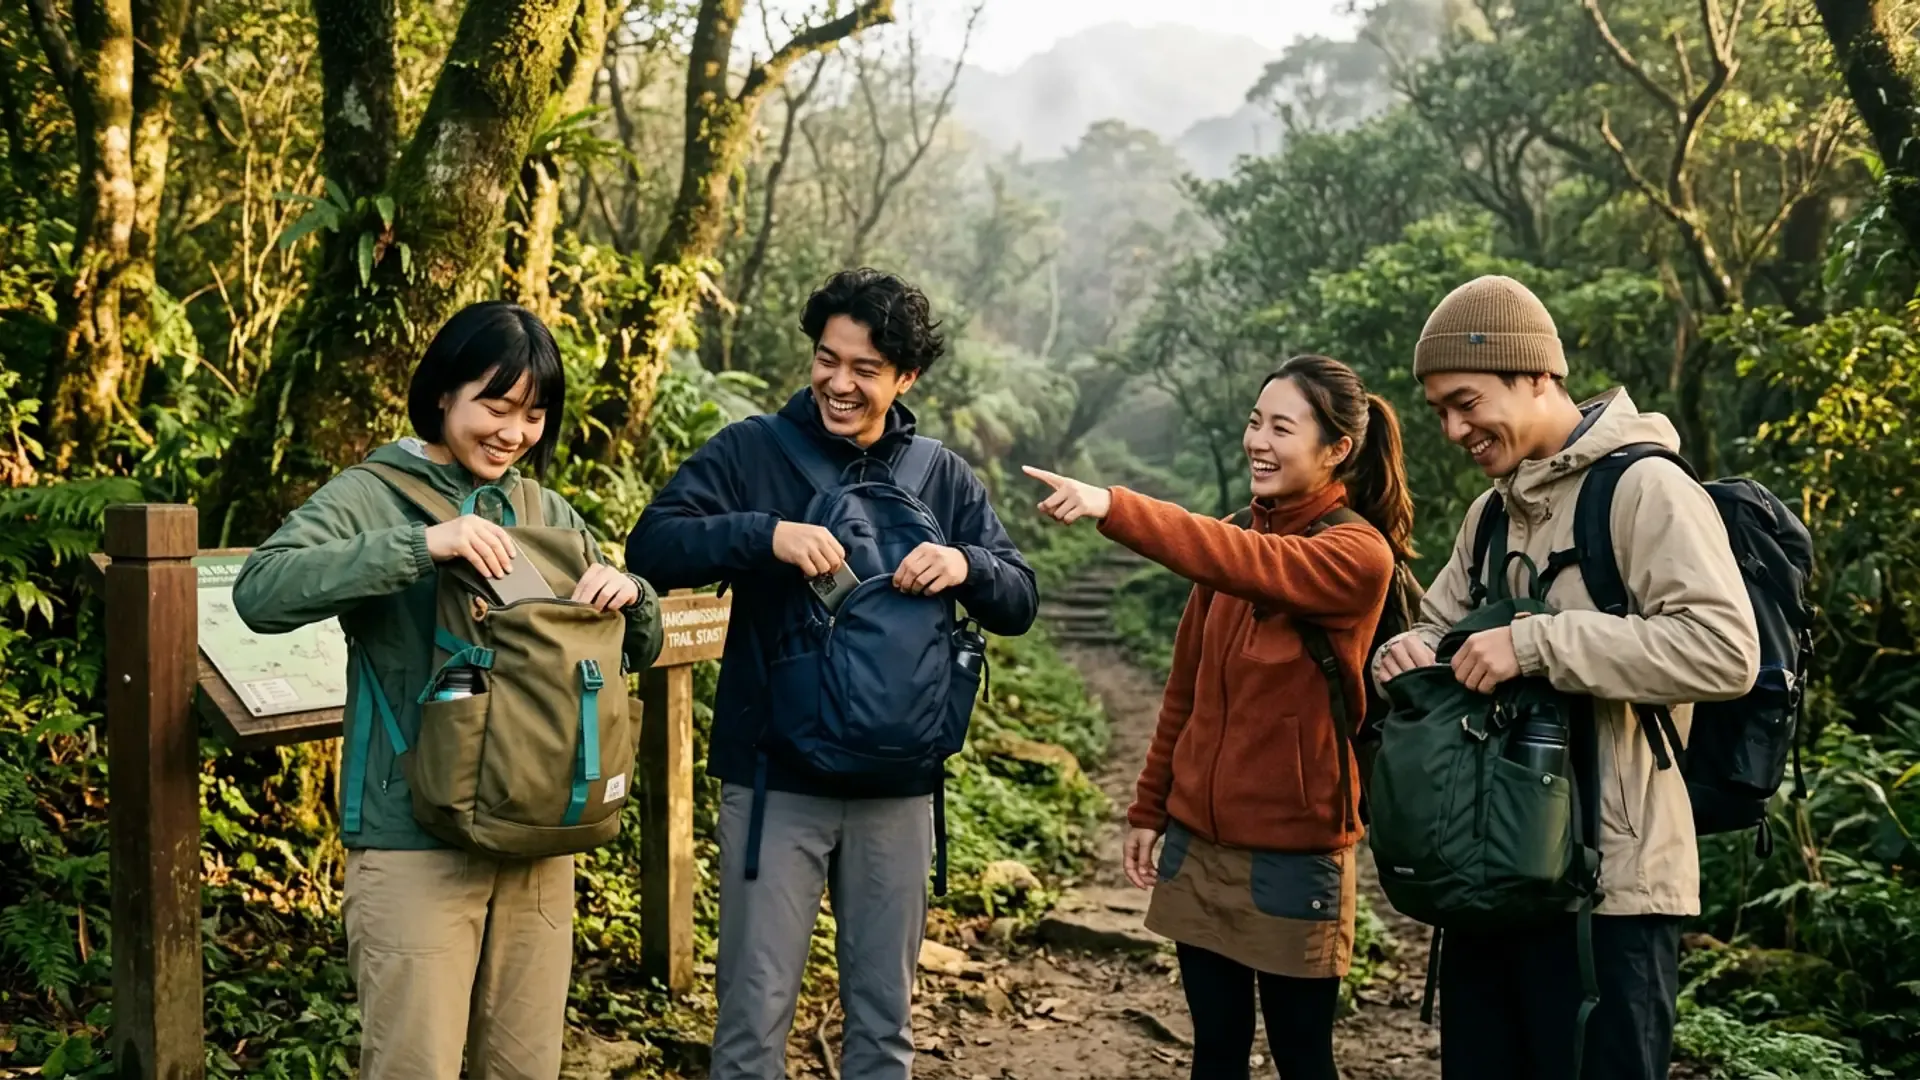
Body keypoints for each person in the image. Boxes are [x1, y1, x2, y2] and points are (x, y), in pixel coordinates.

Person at [232, 301, 663, 1080]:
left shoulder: (545, 510)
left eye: (533, 415)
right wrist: (421, 545)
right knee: (413, 1066)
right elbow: (262, 591)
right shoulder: (373, 492)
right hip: (412, 839)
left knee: (525, 1067)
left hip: (539, 836)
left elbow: (642, 643)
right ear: (441, 394)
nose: (513, 432)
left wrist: (629, 592)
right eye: (494, 407)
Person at [625, 268, 1038, 1080]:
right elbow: (654, 544)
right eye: (827, 358)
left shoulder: (938, 475)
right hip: (775, 783)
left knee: (883, 1032)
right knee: (751, 1025)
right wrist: (765, 535)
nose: (838, 384)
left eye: (865, 369)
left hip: (899, 789)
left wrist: (965, 563)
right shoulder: (752, 452)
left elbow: (1018, 597)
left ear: (906, 377)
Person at [1372, 275, 1760, 1080]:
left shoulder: (1645, 488)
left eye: (1467, 401)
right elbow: (1439, 630)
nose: (1453, 428)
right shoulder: (1491, 514)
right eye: (1440, 410)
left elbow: (1724, 650)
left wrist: (1541, 644)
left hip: (1609, 895)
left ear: (1537, 375)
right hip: (1488, 881)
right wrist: (1406, 655)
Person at [1025, 355, 1413, 1080]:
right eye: (1254, 421)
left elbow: (1248, 562)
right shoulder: (1237, 537)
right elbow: (1186, 690)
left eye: (1281, 428)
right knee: (1215, 1054)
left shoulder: (1357, 554)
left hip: (1296, 855)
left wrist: (1113, 505)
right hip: (1198, 846)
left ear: (1337, 450)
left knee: (1303, 1059)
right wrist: (1150, 806)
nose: (1257, 441)